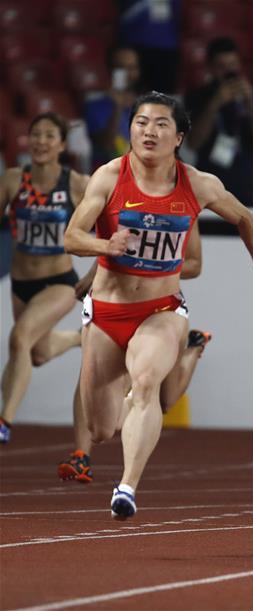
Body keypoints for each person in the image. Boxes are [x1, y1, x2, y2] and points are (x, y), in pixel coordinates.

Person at [63, 91, 253, 519]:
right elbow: (72, 236)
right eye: (141, 122)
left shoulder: (198, 184)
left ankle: (127, 486)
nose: (149, 131)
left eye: (161, 124)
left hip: (160, 309)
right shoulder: (109, 177)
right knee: (100, 427)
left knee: (145, 385)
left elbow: (246, 220)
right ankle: (184, 359)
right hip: (107, 313)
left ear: (179, 136)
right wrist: (104, 244)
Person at [57, 225, 211, 483]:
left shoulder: (186, 200)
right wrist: (95, 272)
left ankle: (193, 349)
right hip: (114, 308)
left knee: (165, 400)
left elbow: (194, 265)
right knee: (92, 376)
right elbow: (107, 245)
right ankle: (81, 454)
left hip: (159, 312)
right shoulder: (119, 193)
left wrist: (150, 269)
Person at [0, 113, 88, 444]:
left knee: (19, 338)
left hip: (60, 283)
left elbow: (108, 220)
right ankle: (80, 338)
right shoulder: (12, 180)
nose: (41, 142)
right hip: (21, 285)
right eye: (35, 134)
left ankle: (4, 421)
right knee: (35, 353)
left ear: (62, 145)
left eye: (49, 136)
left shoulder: (77, 184)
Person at [185, 37, 253, 208]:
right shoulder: (199, 96)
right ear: (210, 68)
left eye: (233, 65)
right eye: (221, 66)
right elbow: (194, 143)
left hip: (244, 193)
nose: (228, 71)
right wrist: (215, 103)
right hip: (208, 192)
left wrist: (251, 103)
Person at [84, 46, 143, 168]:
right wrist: (118, 107)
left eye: (132, 68)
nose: (127, 73)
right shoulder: (94, 107)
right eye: (121, 67)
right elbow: (107, 145)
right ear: (109, 70)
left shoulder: (146, 106)